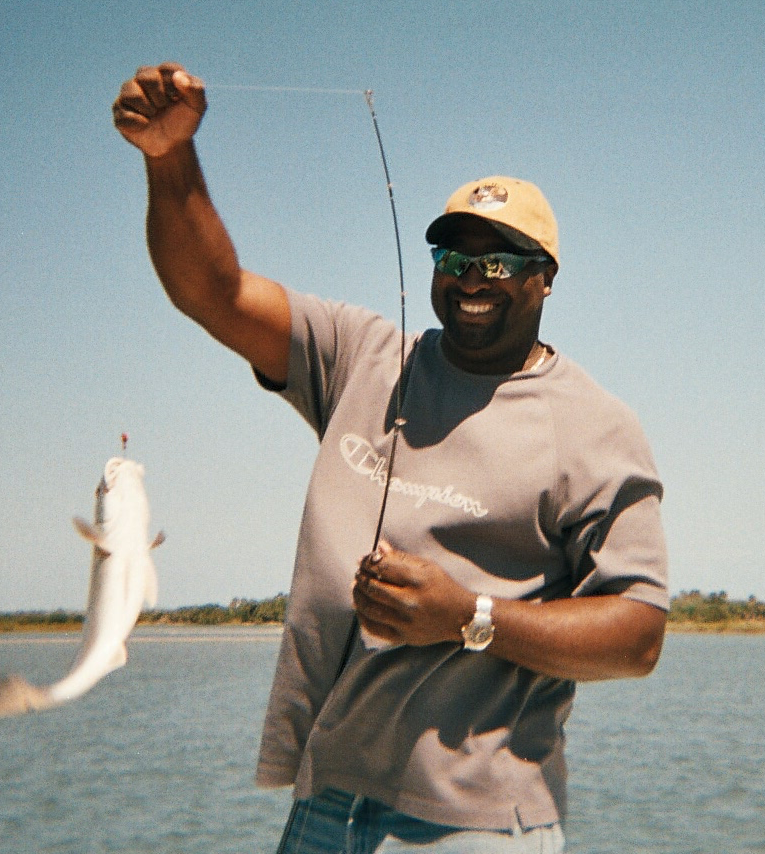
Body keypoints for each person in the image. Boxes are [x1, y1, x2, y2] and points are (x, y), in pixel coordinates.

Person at [113, 62, 669, 853]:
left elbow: (638, 634)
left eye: (500, 261)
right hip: (324, 806)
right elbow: (216, 292)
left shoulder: (595, 427)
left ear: (545, 280)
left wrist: (467, 618)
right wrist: (169, 160)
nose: (472, 278)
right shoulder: (362, 356)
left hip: (476, 825)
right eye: (454, 258)